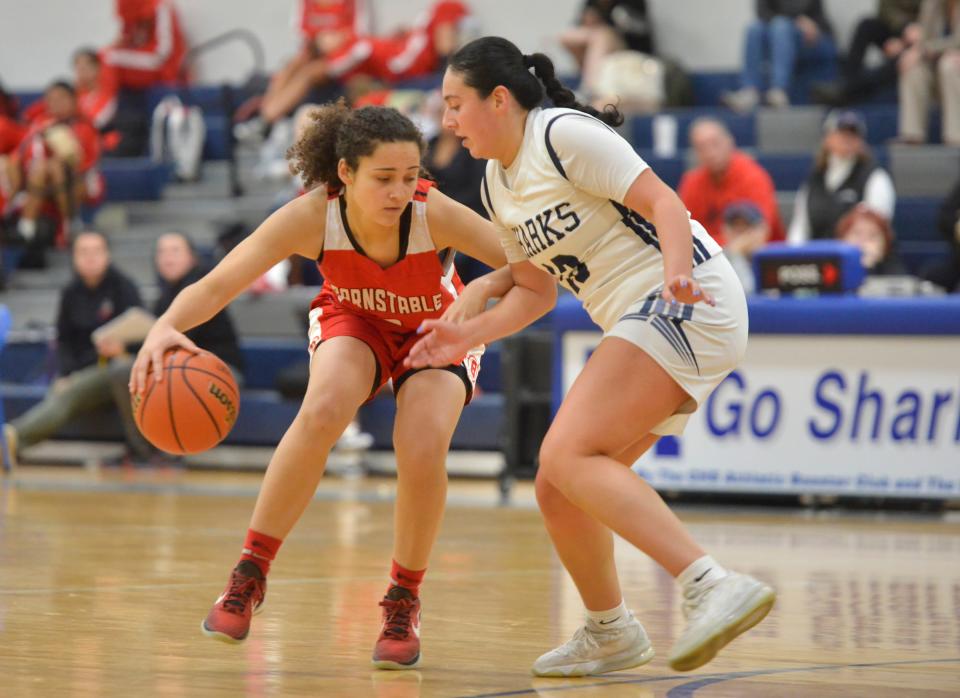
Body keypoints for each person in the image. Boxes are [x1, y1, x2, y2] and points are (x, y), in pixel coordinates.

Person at [408, 36, 775, 676]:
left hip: (685, 297)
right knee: (558, 488)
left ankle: (710, 584)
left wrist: (677, 273)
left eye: (454, 104)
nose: (446, 122)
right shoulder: (497, 184)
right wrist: (467, 334)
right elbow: (537, 294)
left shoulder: (562, 136)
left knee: (566, 452)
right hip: (641, 315)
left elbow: (665, 201)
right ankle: (611, 632)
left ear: (499, 100)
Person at [128, 101, 508, 668]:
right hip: (355, 319)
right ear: (346, 173)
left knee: (421, 443)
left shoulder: (436, 213)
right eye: (383, 178)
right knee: (323, 408)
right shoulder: (311, 216)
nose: (399, 191)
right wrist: (162, 328)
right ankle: (249, 573)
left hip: (436, 328)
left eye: (409, 177)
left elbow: (530, 263)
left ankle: (402, 598)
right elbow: (217, 284)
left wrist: (478, 297)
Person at [3, 231, 142, 468]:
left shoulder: (124, 288)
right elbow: (64, 340)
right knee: (61, 391)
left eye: (96, 251)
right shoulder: (70, 292)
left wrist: (123, 348)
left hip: (118, 372)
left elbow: (143, 333)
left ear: (107, 255)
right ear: (74, 257)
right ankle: (12, 443)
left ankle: (11, 438)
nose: (90, 258)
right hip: (81, 371)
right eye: (83, 252)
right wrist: (65, 374)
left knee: (70, 393)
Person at [106, 232, 245, 465]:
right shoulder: (164, 295)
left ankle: (170, 451)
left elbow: (179, 342)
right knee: (129, 372)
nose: (167, 257)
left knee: (168, 378)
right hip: (181, 366)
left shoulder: (199, 285)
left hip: (219, 368)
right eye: (162, 252)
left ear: (192, 257)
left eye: (175, 251)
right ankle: (148, 452)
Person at [787, 110, 896, 244]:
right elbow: (799, 229)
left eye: (853, 133)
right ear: (827, 137)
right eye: (842, 132)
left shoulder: (875, 177)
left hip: (857, 259)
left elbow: (876, 234)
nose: (847, 138)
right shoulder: (814, 180)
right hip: (817, 259)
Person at [678, 117, 785, 246]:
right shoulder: (691, 182)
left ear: (730, 141)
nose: (710, 153)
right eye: (702, 148)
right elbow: (684, 233)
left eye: (715, 144)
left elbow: (759, 234)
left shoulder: (753, 176)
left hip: (758, 259)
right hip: (710, 256)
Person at [722, 0, 837, 112]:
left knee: (781, 25)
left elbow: (808, 12)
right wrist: (795, 20)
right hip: (783, 30)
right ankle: (750, 91)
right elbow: (762, 12)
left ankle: (779, 90)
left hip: (814, 37)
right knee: (754, 28)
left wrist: (805, 23)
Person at [812, 0, 923, 106]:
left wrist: (911, 43)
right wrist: (903, 31)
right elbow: (886, 9)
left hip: (924, 40)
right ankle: (846, 81)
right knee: (866, 26)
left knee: (901, 60)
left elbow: (936, 19)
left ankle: (847, 91)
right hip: (901, 32)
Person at [897, 0, 960, 145]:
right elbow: (924, 37)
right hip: (936, 68)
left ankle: (955, 138)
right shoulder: (931, 2)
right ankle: (912, 136)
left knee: (949, 64)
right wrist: (915, 51)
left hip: (952, 68)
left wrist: (924, 50)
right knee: (913, 66)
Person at [101, 0, 187, 90]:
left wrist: (115, 56)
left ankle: (104, 100)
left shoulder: (161, 8)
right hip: (143, 72)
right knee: (102, 62)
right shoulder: (129, 12)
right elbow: (123, 40)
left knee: (108, 59)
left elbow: (161, 57)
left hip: (167, 74)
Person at [835, 204, 906, 276]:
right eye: (857, 234)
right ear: (843, 239)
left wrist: (869, 268)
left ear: (884, 245)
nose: (863, 241)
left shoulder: (893, 268)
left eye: (872, 236)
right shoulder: (832, 265)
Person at [719, 201, 770, 293]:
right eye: (735, 226)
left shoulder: (771, 259)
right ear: (724, 230)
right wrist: (735, 253)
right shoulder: (717, 258)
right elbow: (744, 293)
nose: (741, 234)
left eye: (747, 226)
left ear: (763, 229)